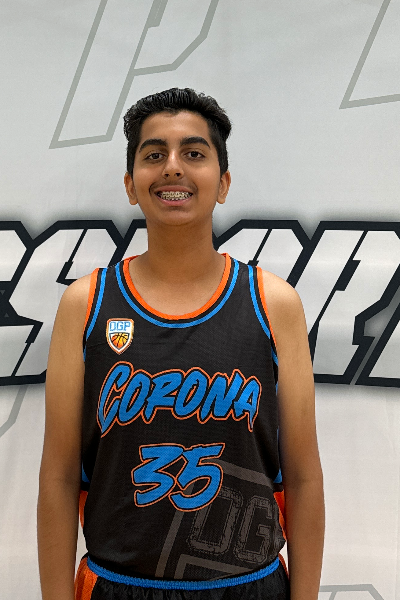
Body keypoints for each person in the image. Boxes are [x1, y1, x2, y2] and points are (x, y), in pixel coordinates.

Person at [37, 88, 324, 600]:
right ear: (131, 185)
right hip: (119, 585)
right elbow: (59, 478)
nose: (173, 167)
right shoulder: (87, 303)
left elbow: (302, 478)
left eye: (193, 153)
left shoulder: (273, 303)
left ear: (223, 182)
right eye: (154, 155)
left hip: (249, 586)